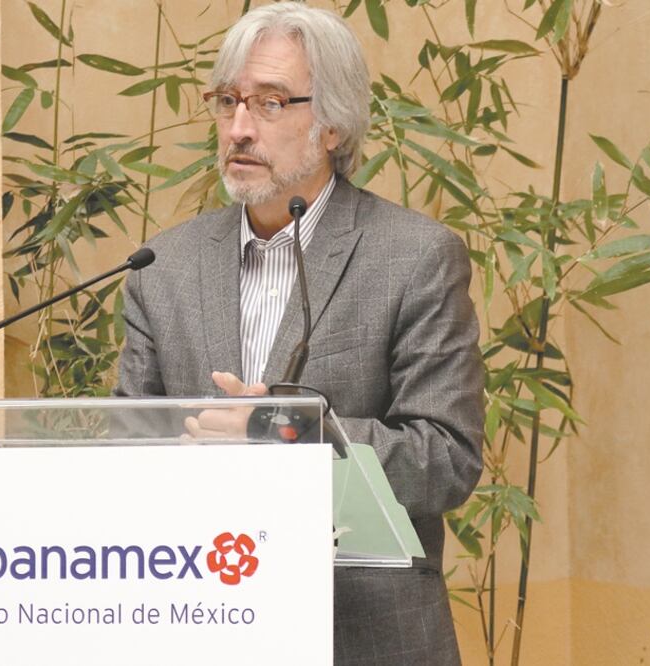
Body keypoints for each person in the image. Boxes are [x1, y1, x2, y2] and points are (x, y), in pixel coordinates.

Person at [114, 4, 483, 664]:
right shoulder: (161, 267)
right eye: (226, 102)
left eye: (271, 103)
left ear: (333, 124)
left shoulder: (414, 257)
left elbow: (446, 459)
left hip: (363, 635)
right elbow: (130, 446)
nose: (239, 128)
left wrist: (287, 433)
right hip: (202, 624)